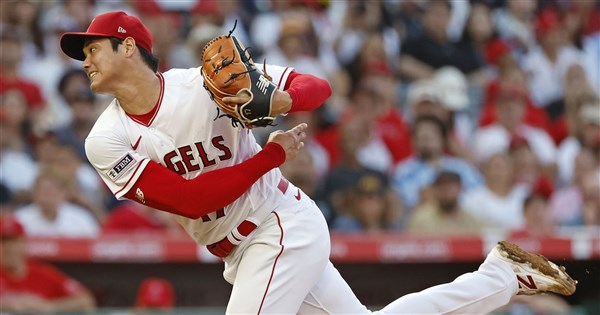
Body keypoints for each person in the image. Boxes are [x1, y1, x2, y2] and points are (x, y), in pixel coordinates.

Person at [59, 11, 576, 314]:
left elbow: (317, 87)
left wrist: (279, 100)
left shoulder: (204, 83)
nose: (84, 58)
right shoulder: (104, 139)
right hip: (235, 247)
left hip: (279, 227)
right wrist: (271, 156)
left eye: (92, 47)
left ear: (128, 47)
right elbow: (193, 201)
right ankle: (502, 278)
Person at [0, 215, 96, 313]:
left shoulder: (43, 273)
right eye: (4, 242)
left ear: (24, 243)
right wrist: (8, 304)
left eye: (14, 242)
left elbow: (85, 300)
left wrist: (49, 306)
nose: (9, 248)